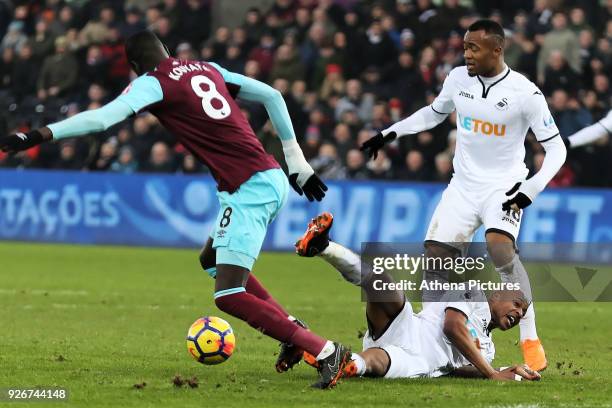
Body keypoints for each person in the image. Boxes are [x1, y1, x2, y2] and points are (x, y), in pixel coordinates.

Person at [0, 30, 350, 389]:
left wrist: (35, 135)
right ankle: (292, 334)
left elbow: (102, 119)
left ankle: (324, 351)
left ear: (136, 67)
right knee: (211, 260)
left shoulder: (154, 82)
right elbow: (272, 94)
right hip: (264, 176)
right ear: (166, 50)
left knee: (229, 294)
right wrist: (297, 161)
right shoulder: (205, 67)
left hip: (250, 187)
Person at [359, 19, 568, 372]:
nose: (466, 53)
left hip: (505, 186)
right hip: (463, 186)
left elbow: (557, 149)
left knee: (500, 247)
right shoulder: (458, 79)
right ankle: (430, 332)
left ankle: (529, 337)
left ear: (497, 50)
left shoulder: (525, 93)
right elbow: (435, 113)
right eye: (465, 47)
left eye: (474, 48)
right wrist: (390, 133)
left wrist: (531, 188)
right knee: (436, 260)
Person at [295, 212, 541, 382]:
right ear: (497, 294)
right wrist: (492, 374)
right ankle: (324, 247)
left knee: (374, 363)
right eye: (517, 304)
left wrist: (501, 369)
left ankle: (332, 358)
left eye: (522, 314)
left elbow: (459, 370)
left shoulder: (488, 350)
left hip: (420, 362)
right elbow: (452, 326)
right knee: (382, 282)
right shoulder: (473, 293)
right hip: (408, 326)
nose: (518, 313)